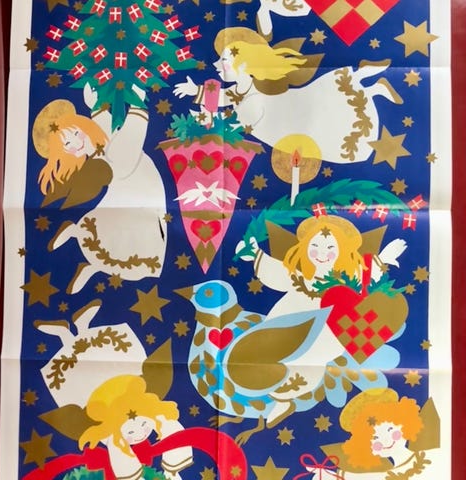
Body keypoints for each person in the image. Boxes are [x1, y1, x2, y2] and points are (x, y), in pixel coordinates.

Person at [174, 27, 403, 171]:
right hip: (291, 124)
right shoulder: (245, 90)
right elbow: (227, 98)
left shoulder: (253, 99)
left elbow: (235, 118)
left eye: (223, 61)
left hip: (291, 123)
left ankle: (368, 80)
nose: (216, 66)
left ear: (243, 65)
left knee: (335, 120)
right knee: (336, 111)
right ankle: (371, 85)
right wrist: (195, 91)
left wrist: (206, 117)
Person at [236, 215, 406, 401]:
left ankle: (287, 391)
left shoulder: (347, 283)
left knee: (310, 364)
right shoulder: (298, 277)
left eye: (330, 248)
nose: (322, 254)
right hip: (283, 333)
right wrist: (255, 254)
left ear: (343, 250)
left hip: (325, 338)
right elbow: (277, 273)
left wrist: (383, 260)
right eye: (315, 246)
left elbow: (364, 278)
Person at [33, 84, 168, 294]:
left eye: (75, 133)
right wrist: (137, 106)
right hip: (131, 190)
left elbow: (110, 133)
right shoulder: (112, 153)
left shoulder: (106, 146)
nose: (75, 143)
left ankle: (91, 263)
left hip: (139, 191)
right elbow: (130, 134)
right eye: (67, 144)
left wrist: (96, 107)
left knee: (137, 247)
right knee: (126, 235)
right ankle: (79, 239)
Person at [302, 388, 439, 480]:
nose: (386, 441)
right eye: (375, 438)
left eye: (390, 430)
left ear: (406, 424)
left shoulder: (430, 455)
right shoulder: (378, 475)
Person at [79, 375, 193, 480]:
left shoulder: (161, 419)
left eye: (144, 425)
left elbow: (175, 432)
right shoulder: (114, 442)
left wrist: (172, 471)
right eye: (130, 432)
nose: (140, 434)